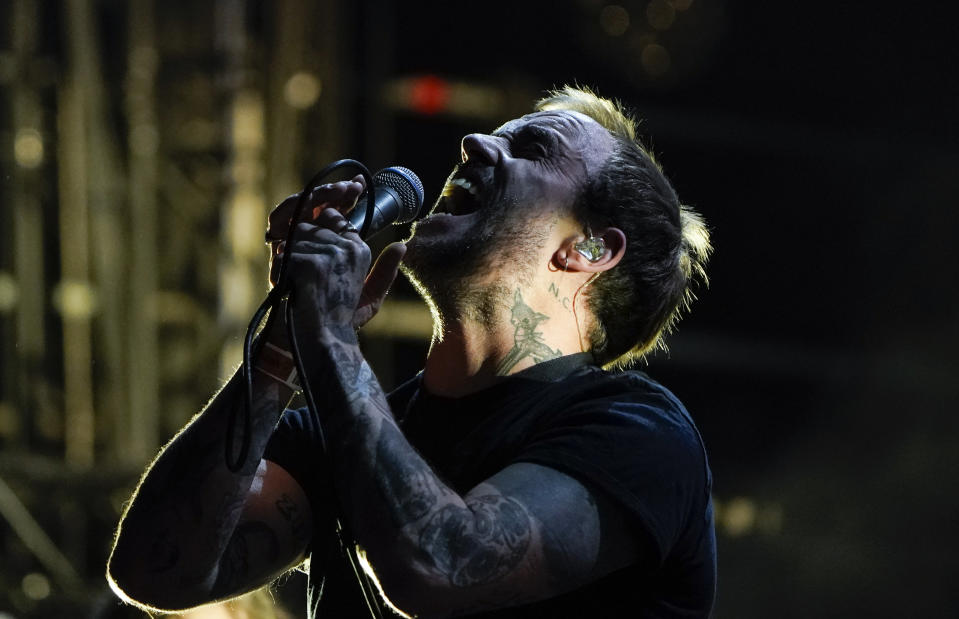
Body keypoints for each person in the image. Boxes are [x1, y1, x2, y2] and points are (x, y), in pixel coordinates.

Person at [107, 85, 715, 618]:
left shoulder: (638, 431)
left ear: (588, 249)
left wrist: (331, 340)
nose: (474, 142)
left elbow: (443, 564)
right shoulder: (336, 431)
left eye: (533, 149)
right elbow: (154, 571)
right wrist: (283, 347)